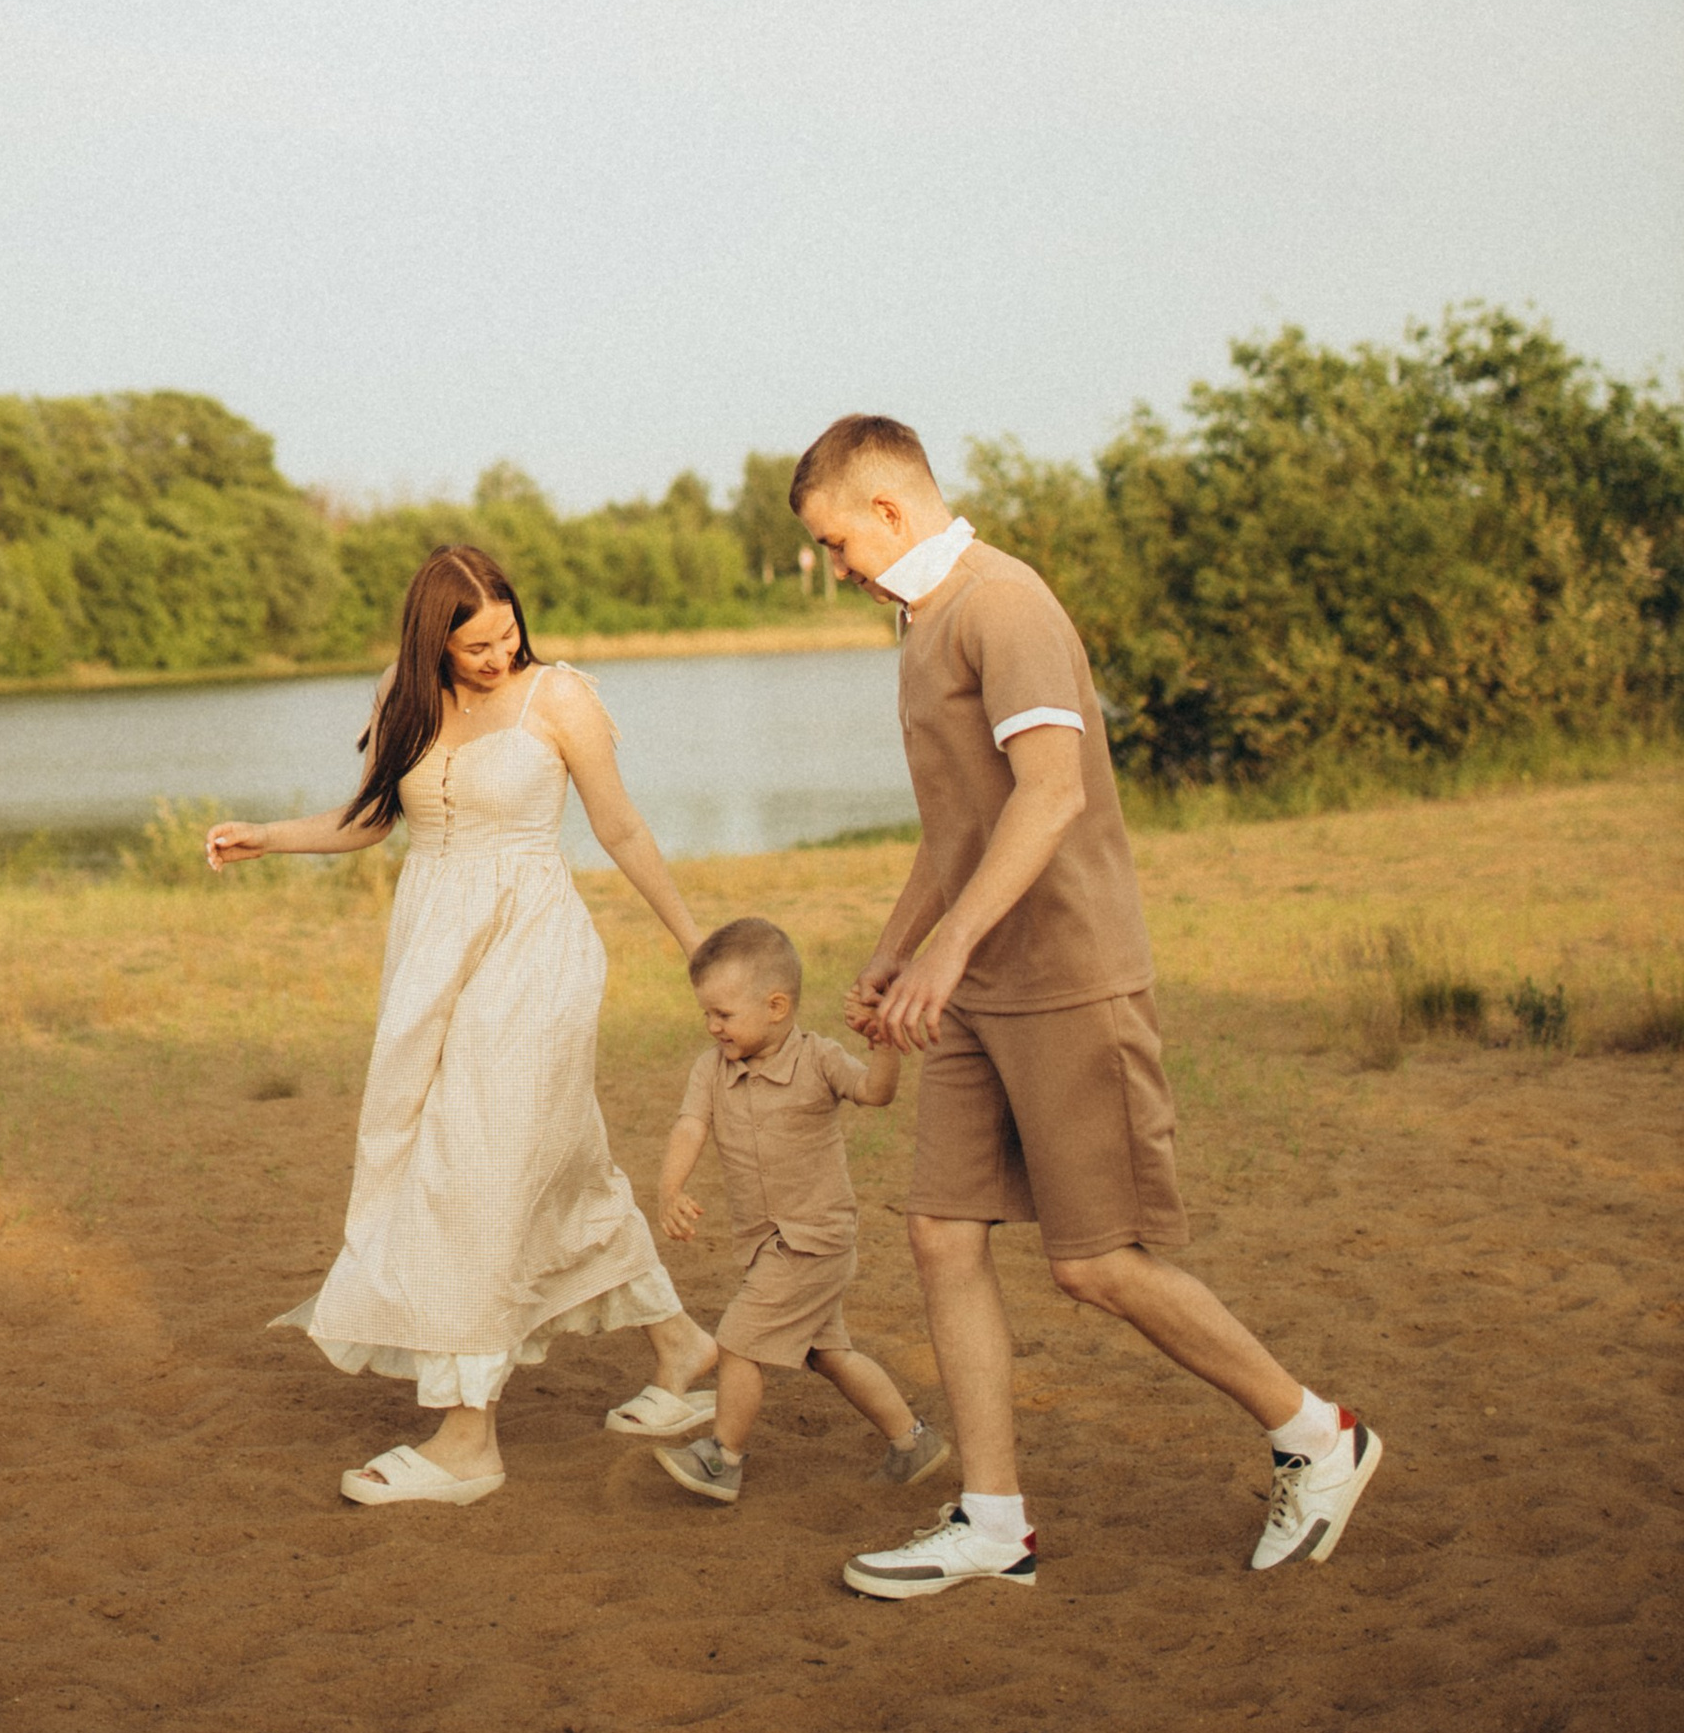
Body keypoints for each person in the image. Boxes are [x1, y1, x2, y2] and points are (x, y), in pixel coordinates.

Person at [788, 417, 1384, 1598]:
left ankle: (1320, 1433)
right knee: (939, 1233)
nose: (834, 568)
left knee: (1097, 1264)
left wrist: (944, 955)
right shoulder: (918, 626)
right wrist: (895, 953)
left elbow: (1052, 795)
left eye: (835, 542)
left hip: (1065, 976)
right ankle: (993, 1521)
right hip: (974, 988)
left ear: (890, 511)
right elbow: (959, 823)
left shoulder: (1005, 606)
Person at [204, 544, 722, 1506]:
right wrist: (269, 837)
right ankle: (682, 1344)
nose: (498, 656)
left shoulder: (558, 698)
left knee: (471, 1166)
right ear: (433, 639)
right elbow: (372, 820)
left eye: (508, 633)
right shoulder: (403, 694)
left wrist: (698, 946)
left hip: (535, 954)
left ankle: (467, 1438)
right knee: (556, 1163)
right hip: (432, 956)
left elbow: (621, 829)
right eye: (476, 645)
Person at [648, 913, 946, 1511]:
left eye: (724, 1015)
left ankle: (722, 1457)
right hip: (768, 1243)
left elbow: (876, 1093)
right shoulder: (712, 1068)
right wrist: (669, 1188)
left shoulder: (819, 1059)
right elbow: (690, 1124)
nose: (712, 1027)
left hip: (814, 1240)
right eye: (706, 1013)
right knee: (828, 1353)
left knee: (737, 1343)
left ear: (777, 1006)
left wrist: (882, 1046)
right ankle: (912, 1442)